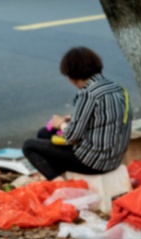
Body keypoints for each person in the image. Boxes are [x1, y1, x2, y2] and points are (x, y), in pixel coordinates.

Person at [22, 46, 132, 181]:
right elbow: (107, 117)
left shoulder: (88, 94)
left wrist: (60, 123)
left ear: (72, 76)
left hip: (95, 163)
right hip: (115, 158)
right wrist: (75, 118)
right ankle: (62, 174)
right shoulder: (116, 87)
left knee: (29, 146)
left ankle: (60, 184)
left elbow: (72, 137)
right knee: (44, 133)